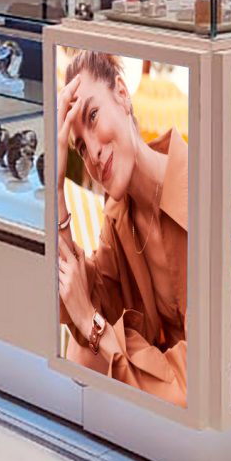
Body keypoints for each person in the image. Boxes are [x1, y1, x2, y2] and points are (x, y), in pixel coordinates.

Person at [56, 51, 188, 407]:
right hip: (162, 374)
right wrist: (57, 189)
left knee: (89, 343)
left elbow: (193, 389)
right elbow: (78, 294)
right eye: (80, 148)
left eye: (93, 116)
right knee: (80, 353)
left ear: (122, 94)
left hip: (201, 385)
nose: (94, 153)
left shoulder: (196, 193)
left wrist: (93, 324)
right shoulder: (118, 214)